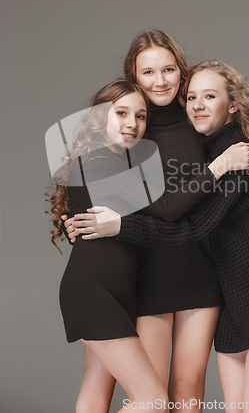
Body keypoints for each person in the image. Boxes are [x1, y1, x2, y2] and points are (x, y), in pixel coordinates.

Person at [70, 60, 249, 413]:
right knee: (178, 400)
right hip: (201, 291)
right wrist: (79, 219)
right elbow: (112, 193)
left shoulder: (230, 151)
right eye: (192, 96)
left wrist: (119, 225)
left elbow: (192, 221)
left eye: (209, 96)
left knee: (222, 399)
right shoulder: (150, 143)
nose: (197, 104)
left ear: (234, 103)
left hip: (243, 288)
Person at [47, 79, 170, 413]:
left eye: (141, 116)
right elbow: (165, 211)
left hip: (111, 292)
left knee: (94, 396)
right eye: (121, 113)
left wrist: (71, 223)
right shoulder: (100, 160)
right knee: (153, 401)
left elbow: (88, 217)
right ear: (99, 118)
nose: (132, 123)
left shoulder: (103, 162)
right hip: (94, 293)